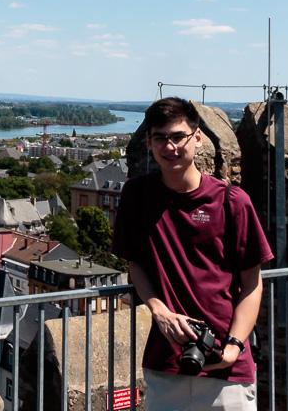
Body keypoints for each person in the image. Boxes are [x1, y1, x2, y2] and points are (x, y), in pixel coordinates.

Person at [111, 97, 274, 410]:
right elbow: (136, 263)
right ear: (148, 143)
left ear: (198, 138)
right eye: (160, 138)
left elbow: (252, 284)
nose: (170, 147)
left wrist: (234, 346)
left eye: (178, 137)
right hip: (166, 362)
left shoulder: (232, 201)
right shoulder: (137, 194)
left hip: (225, 366)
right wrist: (159, 310)